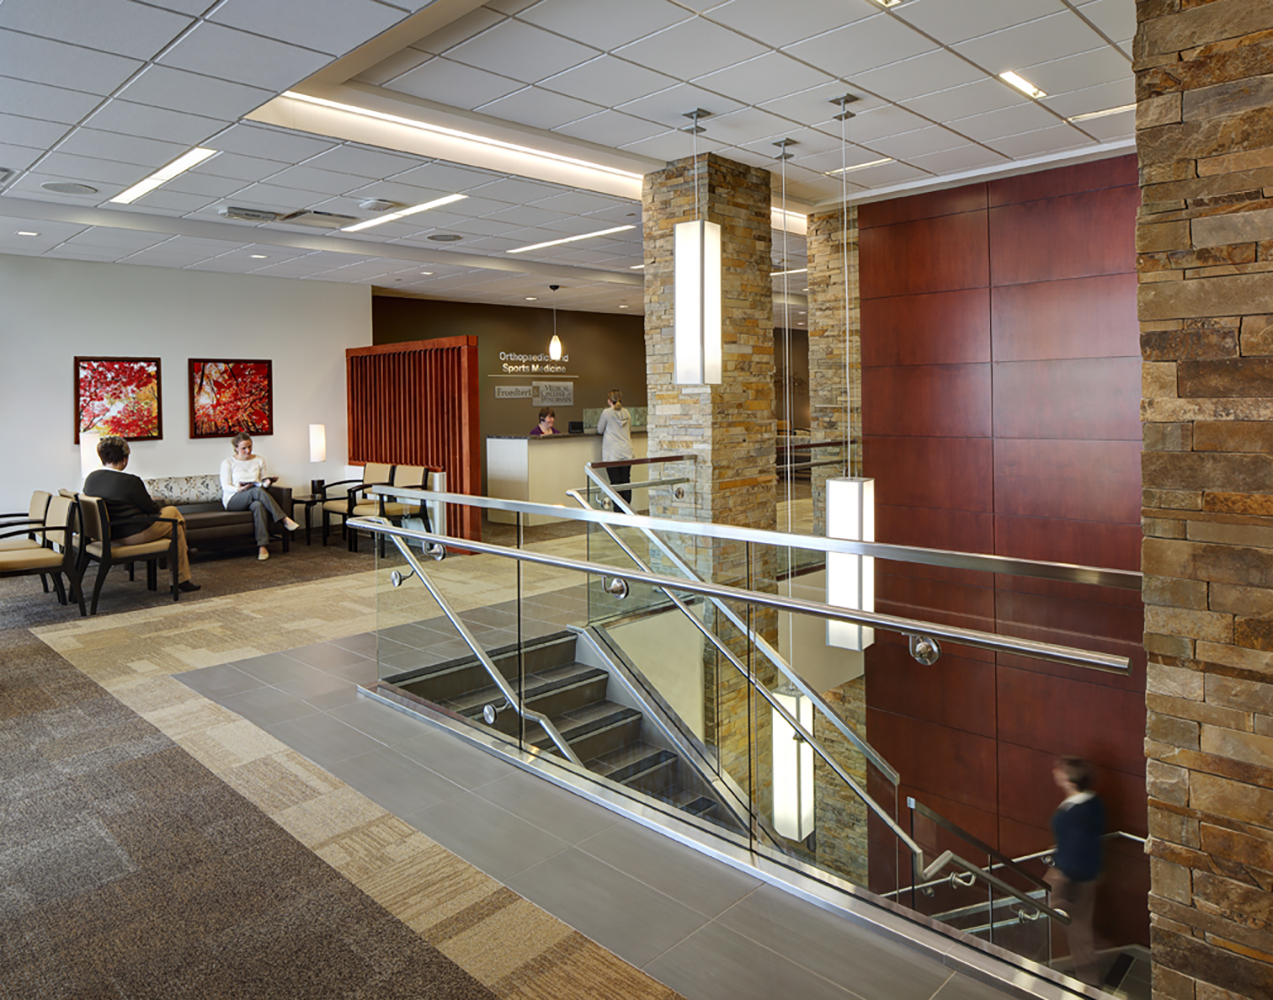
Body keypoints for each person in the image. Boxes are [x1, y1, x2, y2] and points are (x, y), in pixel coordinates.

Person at [83, 436, 200, 592]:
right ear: (125, 459)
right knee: (172, 512)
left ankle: (182, 573)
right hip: (130, 534)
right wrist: (157, 501)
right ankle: (183, 563)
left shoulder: (91, 478)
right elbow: (151, 509)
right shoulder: (130, 481)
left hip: (105, 533)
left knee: (176, 529)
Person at [1047, 755, 1105, 986]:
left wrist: (1058, 869)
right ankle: (1088, 978)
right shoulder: (1094, 803)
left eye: (1060, 771)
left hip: (1071, 875)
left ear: (1070, 780)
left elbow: (1075, 846)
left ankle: (1091, 972)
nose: (1055, 773)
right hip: (1091, 872)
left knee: (1061, 913)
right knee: (1079, 925)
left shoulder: (1072, 814)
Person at [220, 432, 300, 561]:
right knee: (255, 491)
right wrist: (238, 488)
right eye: (244, 448)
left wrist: (268, 482)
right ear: (236, 448)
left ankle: (262, 546)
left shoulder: (259, 460)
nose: (248, 450)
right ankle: (284, 519)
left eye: (250, 447)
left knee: (258, 505)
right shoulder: (228, 462)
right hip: (234, 499)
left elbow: (263, 482)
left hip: (254, 496)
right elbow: (225, 486)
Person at [596, 388, 634, 506]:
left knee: (615, 482)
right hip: (627, 451)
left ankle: (618, 511)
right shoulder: (627, 413)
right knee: (626, 481)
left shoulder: (607, 413)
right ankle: (627, 509)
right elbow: (629, 429)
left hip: (612, 454)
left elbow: (600, 429)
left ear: (609, 401)